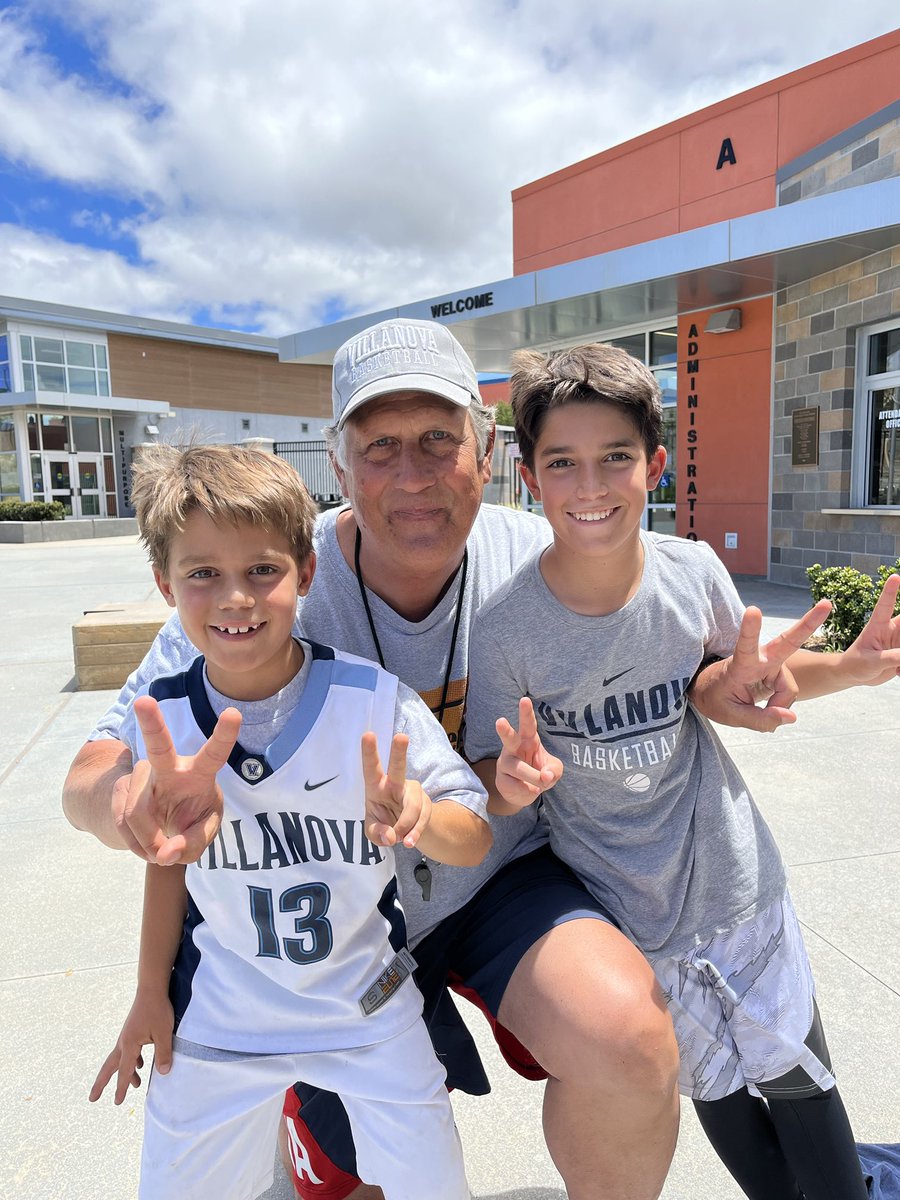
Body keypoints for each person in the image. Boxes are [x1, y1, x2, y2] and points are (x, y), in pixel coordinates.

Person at [64, 317, 841, 1200]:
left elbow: (672, 642)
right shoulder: (262, 578)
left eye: (439, 439)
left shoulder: (543, 554)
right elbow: (97, 764)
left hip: (500, 869)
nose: (412, 474)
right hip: (338, 922)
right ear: (338, 461)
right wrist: (126, 802)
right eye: (380, 445)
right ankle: (307, 1120)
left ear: (487, 445)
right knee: (351, 1183)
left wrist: (727, 682)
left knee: (629, 1035)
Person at [462, 343, 900, 1200]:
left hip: (740, 895)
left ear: (654, 465)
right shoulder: (508, 627)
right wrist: (506, 779)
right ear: (529, 477)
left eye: (616, 457)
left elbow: (739, 679)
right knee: (729, 1113)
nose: (591, 485)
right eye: (563, 463)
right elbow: (488, 766)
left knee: (806, 1101)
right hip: (631, 920)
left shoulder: (690, 571)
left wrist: (845, 667)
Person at [88, 443, 492, 1200]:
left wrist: (419, 815)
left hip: (366, 1008)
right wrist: (149, 993)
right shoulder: (165, 719)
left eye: (261, 570)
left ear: (305, 574)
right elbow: (169, 866)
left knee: (433, 1186)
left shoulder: (372, 701)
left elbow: (473, 835)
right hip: (226, 1018)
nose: (235, 597)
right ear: (164, 584)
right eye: (203, 573)